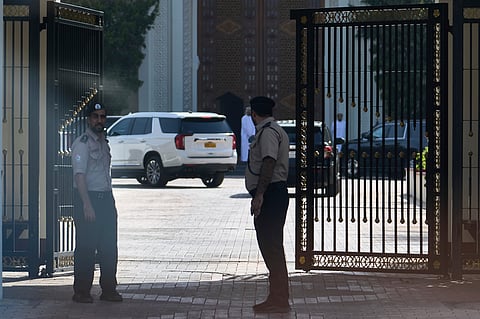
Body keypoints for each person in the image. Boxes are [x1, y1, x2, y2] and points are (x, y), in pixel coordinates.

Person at [71, 101, 123, 303]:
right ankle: (81, 291)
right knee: (86, 247)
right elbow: (79, 176)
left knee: (109, 247)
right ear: (88, 119)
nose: (99, 120)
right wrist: (86, 204)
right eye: (95, 116)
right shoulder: (81, 144)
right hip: (89, 199)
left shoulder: (103, 143)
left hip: (106, 200)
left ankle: (109, 290)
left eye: (102, 116)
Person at [245, 96, 290, 313]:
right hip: (274, 194)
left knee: (271, 248)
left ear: (254, 114)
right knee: (272, 248)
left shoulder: (268, 133)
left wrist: (260, 194)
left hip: (271, 194)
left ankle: (279, 299)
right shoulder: (275, 129)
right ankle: (277, 297)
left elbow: (269, 161)